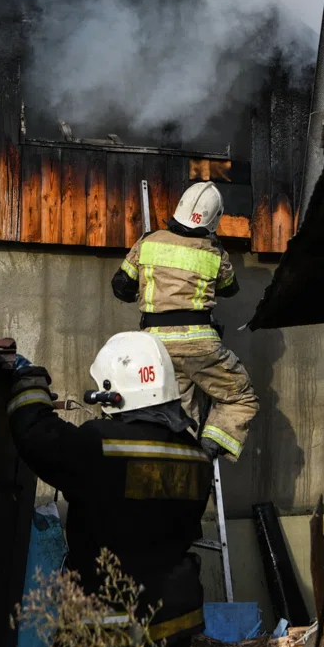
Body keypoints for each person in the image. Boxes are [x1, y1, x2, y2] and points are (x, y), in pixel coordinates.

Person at [7, 332, 213, 647]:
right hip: (175, 622)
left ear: (112, 392)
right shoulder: (196, 456)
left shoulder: (102, 446)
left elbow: (38, 436)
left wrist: (30, 385)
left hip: (108, 629)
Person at [110, 181, 259, 462]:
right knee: (241, 397)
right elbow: (230, 288)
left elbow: (121, 287)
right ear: (214, 220)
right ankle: (207, 449)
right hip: (200, 348)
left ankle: (175, 464)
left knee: (179, 412)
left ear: (179, 208)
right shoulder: (214, 253)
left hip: (155, 348)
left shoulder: (148, 242)